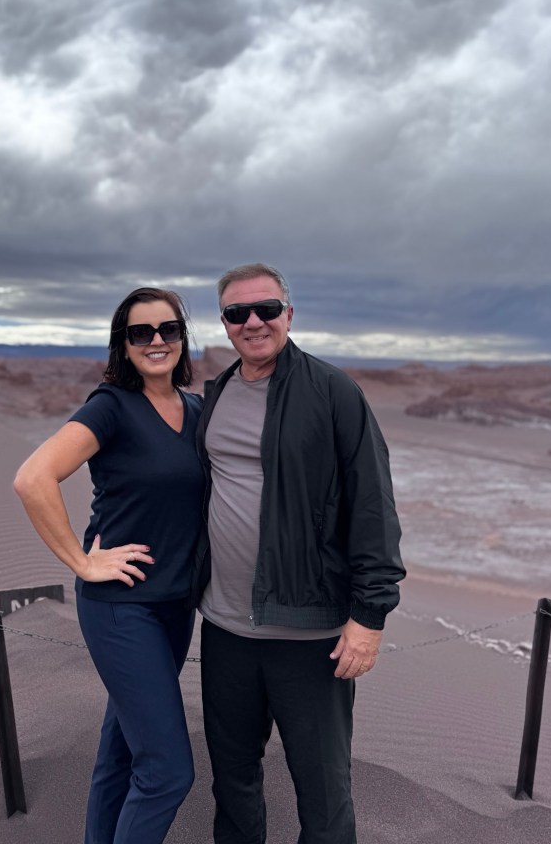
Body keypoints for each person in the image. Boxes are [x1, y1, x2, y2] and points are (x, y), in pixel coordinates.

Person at [194, 263, 405, 844]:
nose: (253, 322)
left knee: (323, 788)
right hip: (225, 630)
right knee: (233, 780)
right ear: (224, 323)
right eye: (237, 313)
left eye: (266, 309)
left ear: (289, 313)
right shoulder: (218, 392)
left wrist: (370, 616)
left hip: (309, 634)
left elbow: (372, 503)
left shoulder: (332, 392)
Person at [13, 287, 205, 844]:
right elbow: (32, 478)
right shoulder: (112, 406)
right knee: (168, 772)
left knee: (121, 753)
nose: (156, 341)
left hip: (175, 608)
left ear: (182, 337)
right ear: (123, 343)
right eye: (140, 332)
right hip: (123, 607)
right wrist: (81, 561)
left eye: (168, 329)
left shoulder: (196, 410)